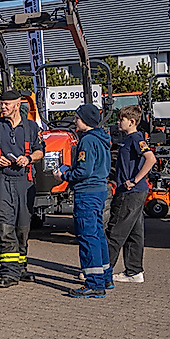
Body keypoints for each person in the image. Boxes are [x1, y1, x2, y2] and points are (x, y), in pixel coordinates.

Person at [0, 90, 45, 288]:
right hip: (1, 182)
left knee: (23, 227)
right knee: (4, 226)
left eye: (6, 104)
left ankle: (20, 267)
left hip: (25, 182)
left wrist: (29, 158)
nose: (2, 107)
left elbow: (40, 150)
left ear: (17, 105)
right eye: (1, 104)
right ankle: (8, 272)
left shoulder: (31, 127)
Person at [54, 103, 112, 297]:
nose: (74, 121)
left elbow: (83, 170)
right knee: (97, 234)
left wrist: (64, 175)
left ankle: (94, 284)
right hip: (99, 190)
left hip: (87, 193)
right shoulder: (102, 139)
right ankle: (105, 276)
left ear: (85, 120)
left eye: (77, 118)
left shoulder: (87, 141)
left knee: (87, 237)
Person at [108, 105, 156, 284]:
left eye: (122, 119)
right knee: (135, 232)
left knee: (115, 230)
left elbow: (150, 158)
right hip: (135, 191)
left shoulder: (136, 138)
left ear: (132, 121)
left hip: (130, 192)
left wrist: (134, 179)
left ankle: (103, 269)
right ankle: (134, 270)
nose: (119, 122)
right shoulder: (129, 139)